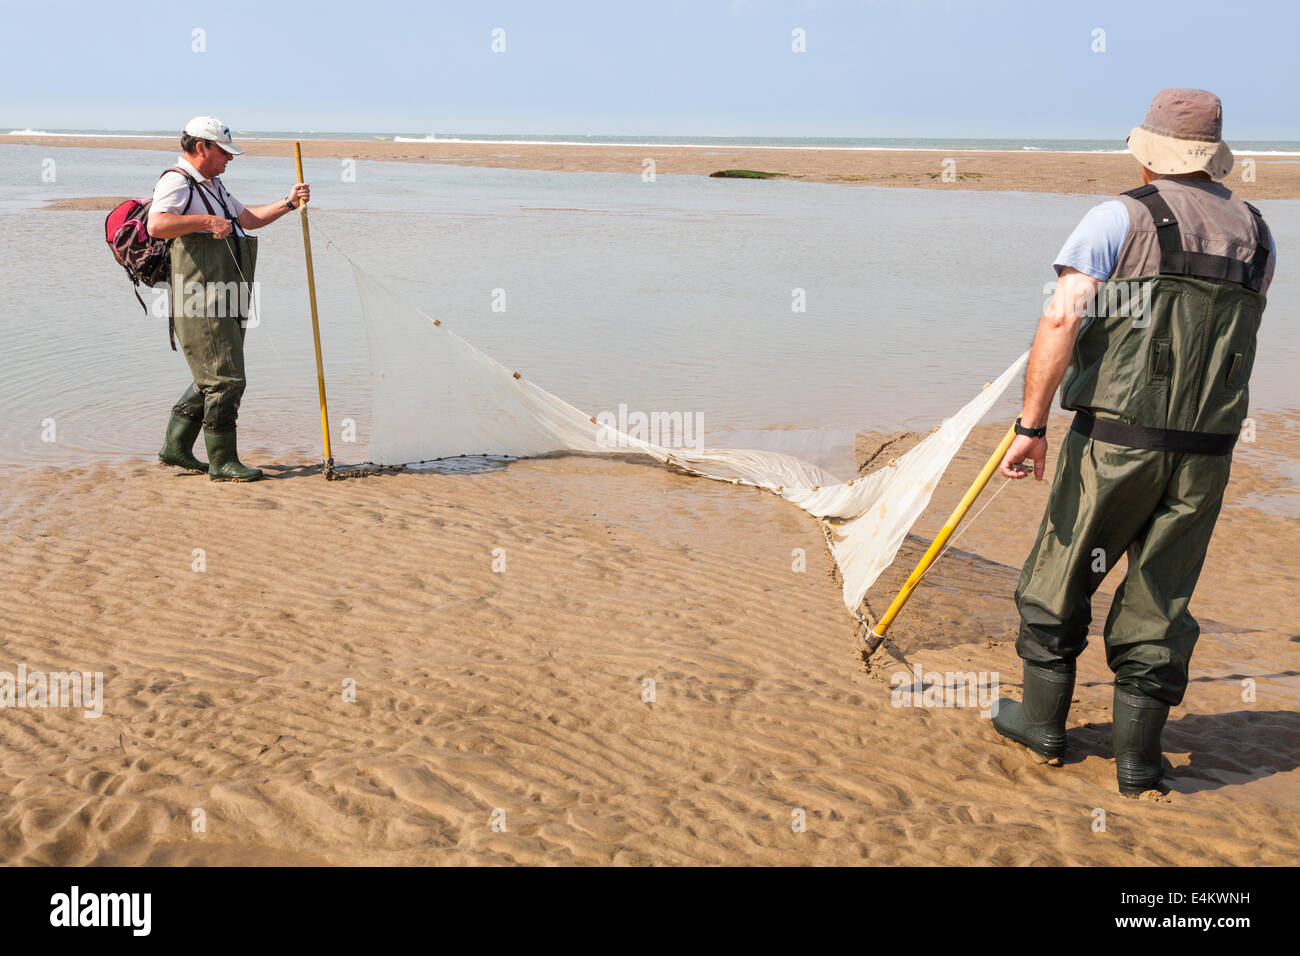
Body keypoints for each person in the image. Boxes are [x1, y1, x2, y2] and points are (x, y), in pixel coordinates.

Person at [990, 89, 1276, 796]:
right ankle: (1139, 765)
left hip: (1116, 443)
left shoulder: (1118, 215)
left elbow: (1063, 322)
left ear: (1148, 156)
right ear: (1212, 159)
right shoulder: (1258, 232)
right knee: (1161, 596)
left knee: (1060, 581)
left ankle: (1042, 725)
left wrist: (1031, 428)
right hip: (1207, 454)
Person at [149, 116, 310, 481]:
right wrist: (207, 222)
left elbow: (248, 219)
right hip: (199, 297)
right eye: (224, 151)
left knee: (213, 375)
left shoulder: (214, 185)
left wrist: (288, 202)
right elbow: (156, 224)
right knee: (226, 379)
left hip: (229, 293)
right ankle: (222, 462)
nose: (229, 159)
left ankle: (175, 449)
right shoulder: (178, 181)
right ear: (202, 147)